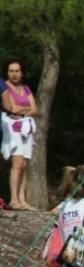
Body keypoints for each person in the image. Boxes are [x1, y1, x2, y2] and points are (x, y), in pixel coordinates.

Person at [1, 59, 38, 210]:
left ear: (21, 73)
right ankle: (14, 199)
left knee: (24, 164)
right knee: (16, 163)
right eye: (11, 71)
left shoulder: (26, 88)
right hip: (12, 126)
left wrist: (23, 111)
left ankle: (23, 200)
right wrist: (25, 109)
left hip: (26, 127)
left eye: (17, 71)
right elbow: (12, 108)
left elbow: (35, 108)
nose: (14, 74)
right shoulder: (5, 87)